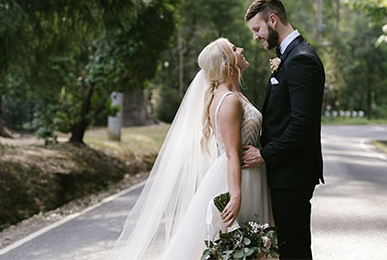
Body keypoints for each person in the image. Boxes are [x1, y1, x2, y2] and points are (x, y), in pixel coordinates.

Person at [111, 38, 272, 260]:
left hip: (249, 175)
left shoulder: (233, 95)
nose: (242, 49)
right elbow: (232, 154)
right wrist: (235, 197)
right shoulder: (229, 101)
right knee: (238, 246)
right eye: (235, 49)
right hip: (239, 179)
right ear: (227, 64)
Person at [241, 0, 325, 260]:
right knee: (286, 248)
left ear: (273, 20)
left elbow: (303, 125)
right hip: (284, 173)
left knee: (295, 250)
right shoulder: (288, 57)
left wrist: (264, 154)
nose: (256, 37)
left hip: (293, 174)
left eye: (257, 29)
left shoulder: (302, 59)